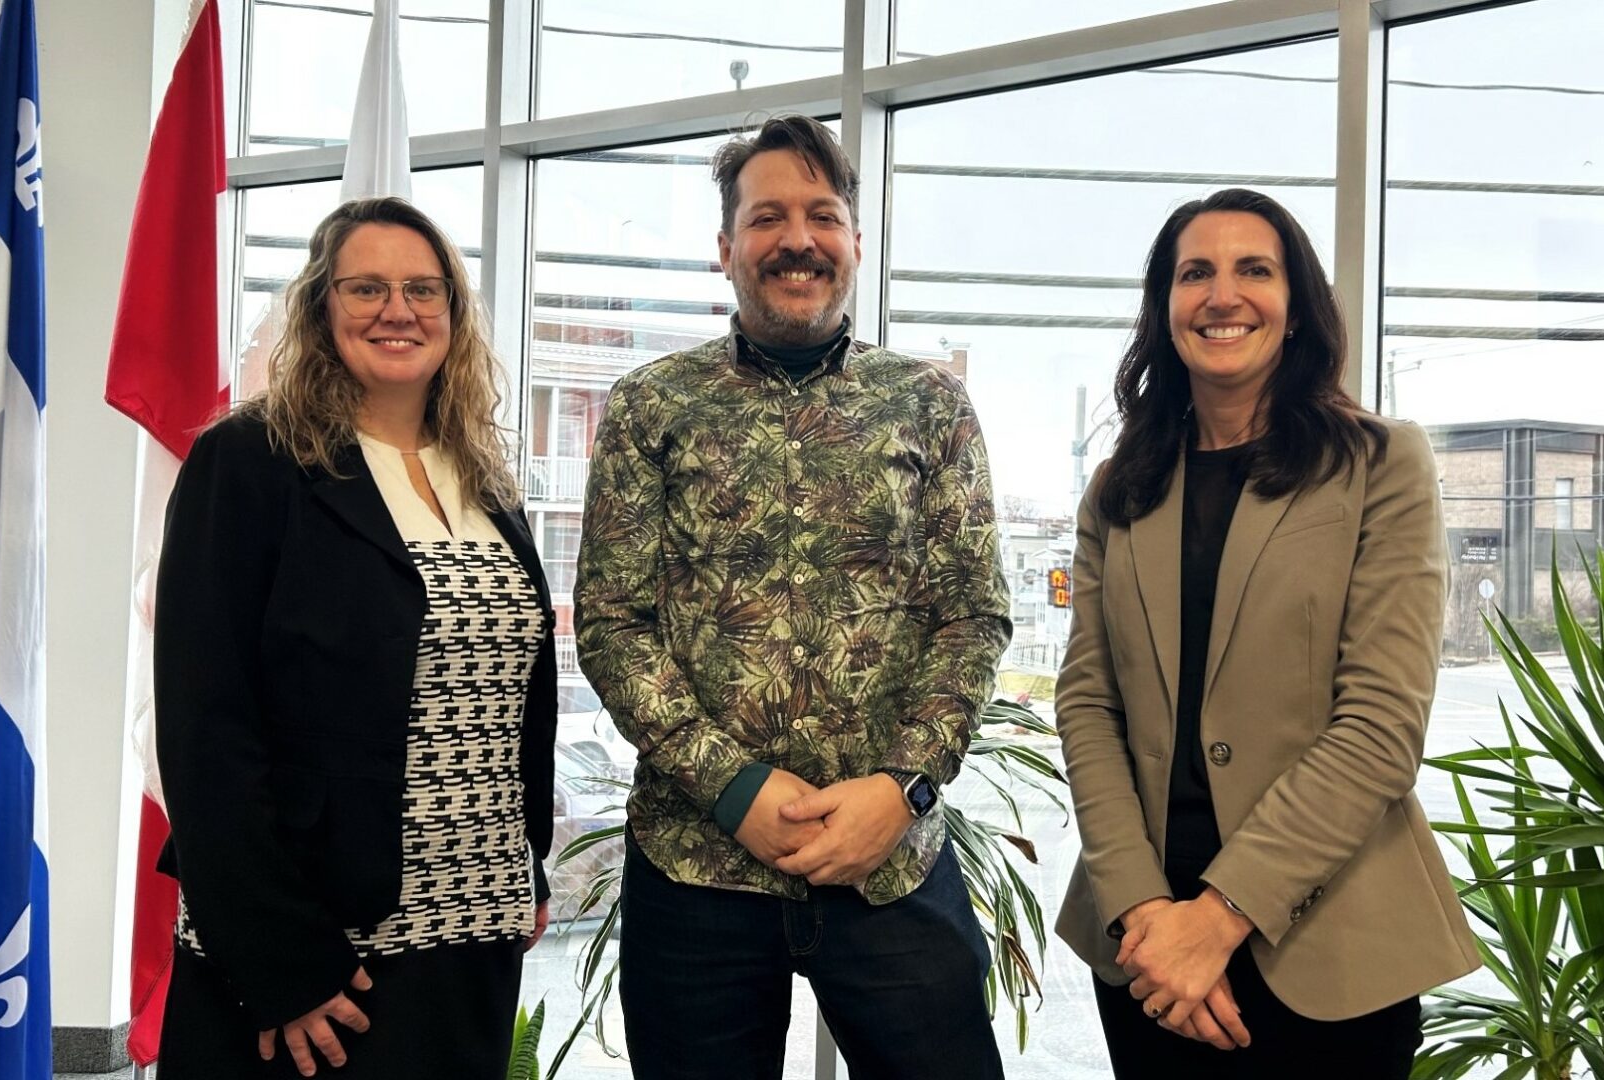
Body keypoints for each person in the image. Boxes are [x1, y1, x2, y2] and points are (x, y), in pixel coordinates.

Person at [574, 114, 1013, 1080]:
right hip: (697, 869)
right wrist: (733, 789)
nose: (798, 239)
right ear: (726, 247)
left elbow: (972, 614)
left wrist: (901, 790)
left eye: (823, 215)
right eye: (768, 216)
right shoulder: (653, 406)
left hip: (891, 860)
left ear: (856, 242)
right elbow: (611, 623)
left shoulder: (930, 405)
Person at [1053, 187, 1479, 1078]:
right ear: (1163, 308)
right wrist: (1144, 913)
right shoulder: (1118, 487)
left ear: (1297, 309)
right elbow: (1089, 706)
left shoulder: (1380, 464)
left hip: (1329, 949)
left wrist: (1216, 919)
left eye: (1255, 270)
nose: (1222, 295)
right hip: (1146, 951)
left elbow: (1380, 727)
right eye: (1194, 273)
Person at [152, 196, 557, 1079]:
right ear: (320, 306)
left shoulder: (488, 478)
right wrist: (280, 963)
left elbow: (516, 692)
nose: (397, 310)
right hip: (321, 947)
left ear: (454, 311)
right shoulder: (251, 464)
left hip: (474, 924)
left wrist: (526, 859)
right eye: (365, 287)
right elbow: (204, 728)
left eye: (422, 288)